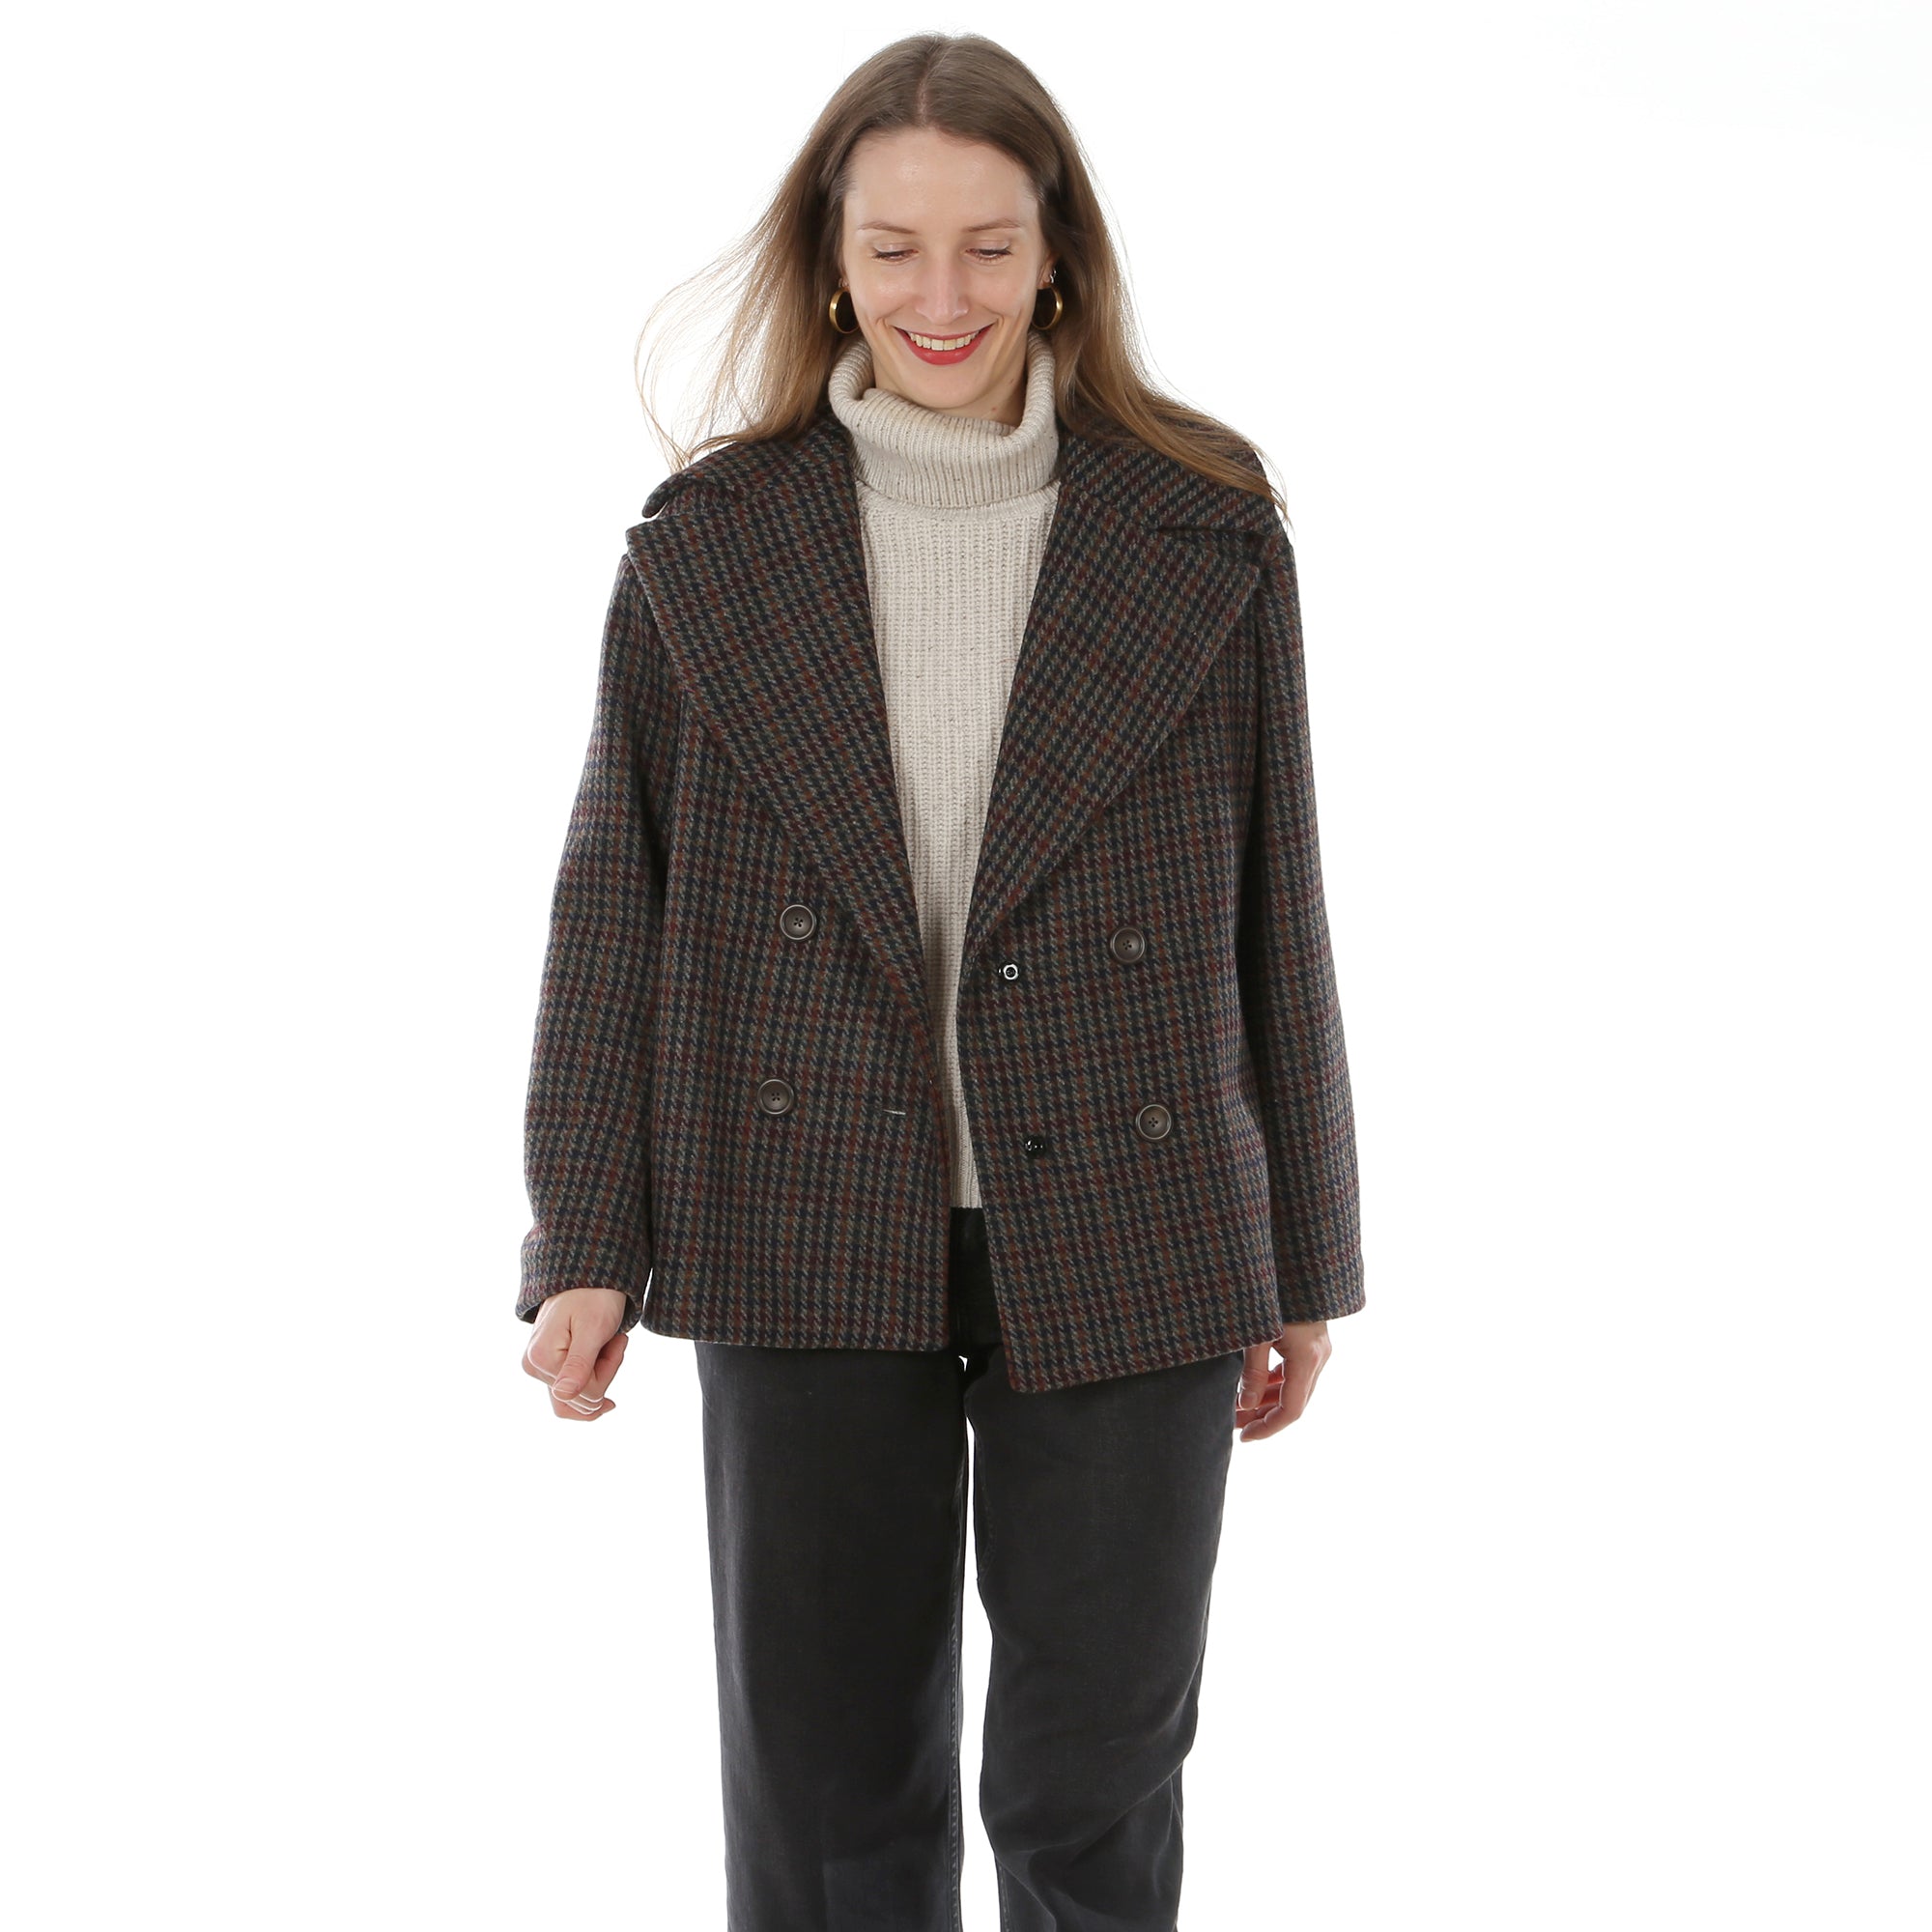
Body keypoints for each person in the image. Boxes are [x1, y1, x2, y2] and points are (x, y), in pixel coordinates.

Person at [514, 32, 1364, 1932]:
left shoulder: (1204, 523)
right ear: (830, 261)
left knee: (1089, 1793)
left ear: (1058, 252)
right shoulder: (706, 545)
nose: (942, 297)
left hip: (1139, 1214)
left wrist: (1303, 1254)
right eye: (893, 249)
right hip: (795, 1203)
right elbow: (614, 902)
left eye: (988, 245)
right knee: (826, 1806)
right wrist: (585, 1235)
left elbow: (1277, 898)